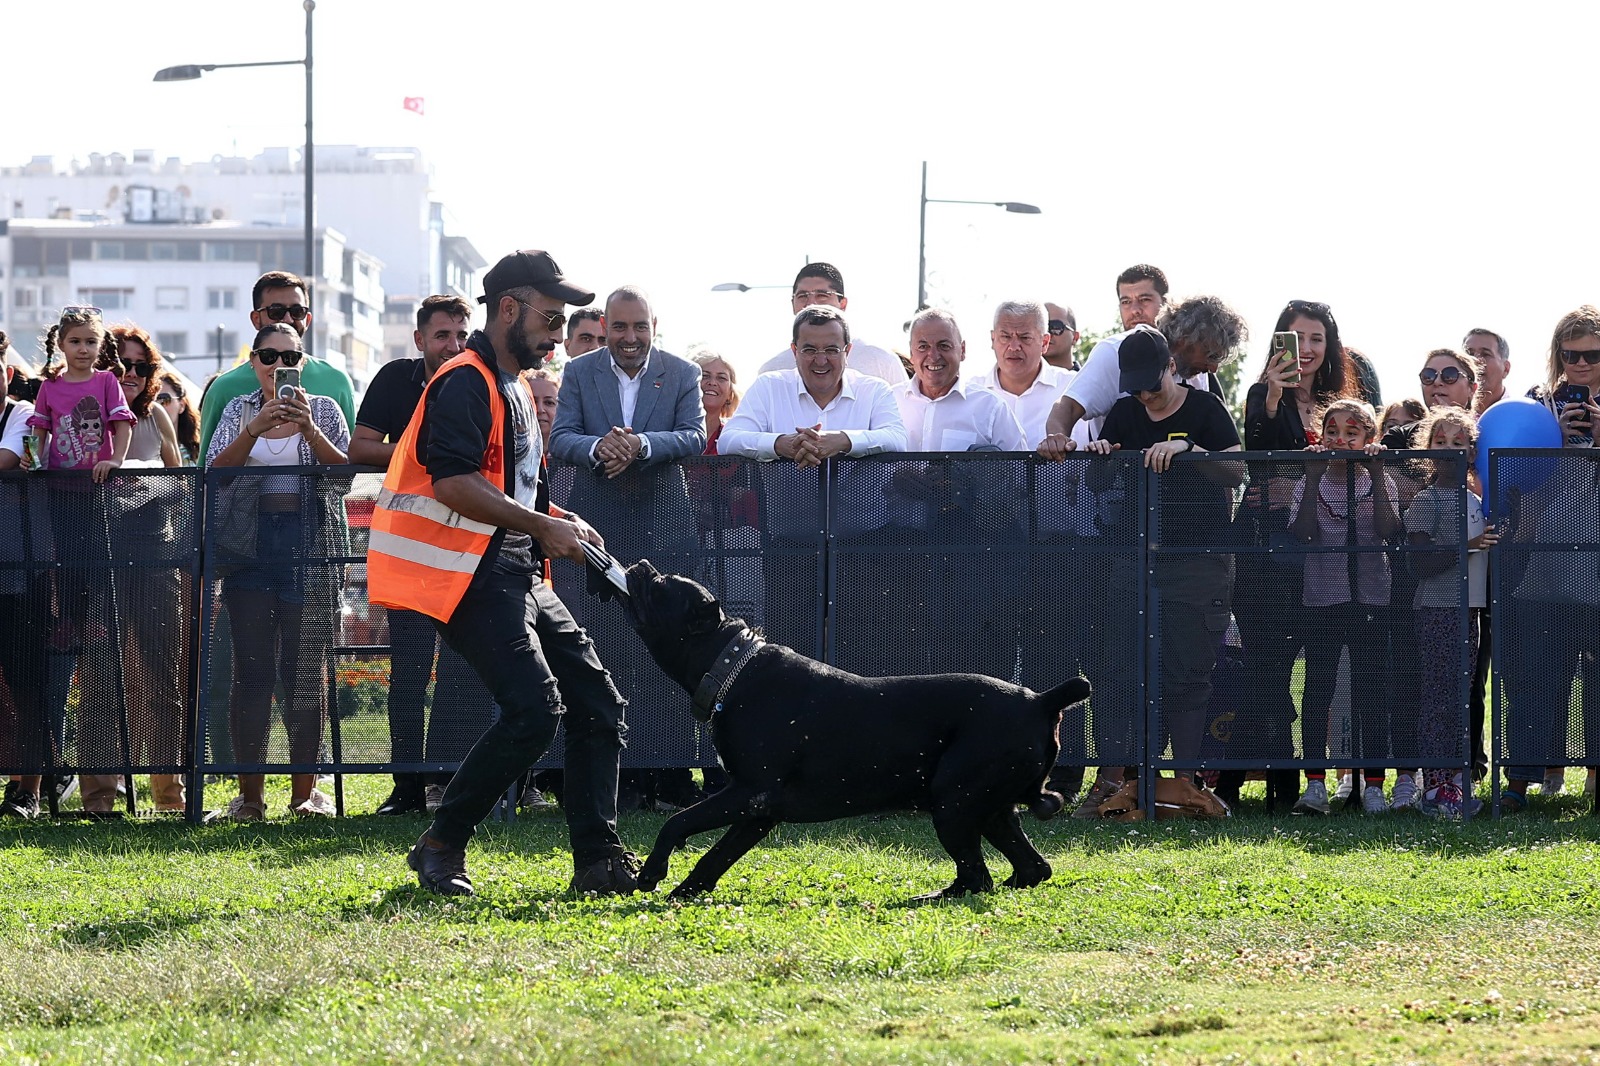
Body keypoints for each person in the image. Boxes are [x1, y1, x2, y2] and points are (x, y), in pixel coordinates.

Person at [369, 249, 638, 897]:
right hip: (467, 573)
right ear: (509, 309)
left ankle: (598, 862)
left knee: (598, 705)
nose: (558, 331)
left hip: (513, 567)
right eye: (552, 317)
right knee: (534, 710)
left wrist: (557, 514)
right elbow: (454, 482)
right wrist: (543, 526)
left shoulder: (513, 386)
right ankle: (441, 843)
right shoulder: (465, 380)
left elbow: (513, 486)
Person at [548, 285, 706, 812]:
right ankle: (623, 774)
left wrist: (640, 445)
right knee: (606, 648)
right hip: (599, 529)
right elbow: (561, 438)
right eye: (620, 327)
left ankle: (673, 771)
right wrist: (599, 448)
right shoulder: (579, 371)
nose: (630, 338)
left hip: (666, 531)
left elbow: (694, 436)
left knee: (669, 648)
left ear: (653, 326)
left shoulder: (682, 372)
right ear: (606, 327)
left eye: (639, 327)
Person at [1077, 326, 1243, 801]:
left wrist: (1189, 451)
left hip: (1199, 563)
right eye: (1137, 386)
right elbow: (1094, 485)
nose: (1146, 394)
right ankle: (1110, 782)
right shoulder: (1126, 412)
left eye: (1154, 382)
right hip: (1134, 559)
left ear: (1172, 366)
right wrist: (1101, 456)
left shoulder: (1205, 408)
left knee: (1189, 672)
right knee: (1120, 670)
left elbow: (1237, 468)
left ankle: (1186, 785)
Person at [349, 295, 497, 817]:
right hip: (411, 546)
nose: (453, 345)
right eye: (442, 336)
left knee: (464, 669)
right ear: (419, 340)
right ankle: (407, 784)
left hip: (470, 546)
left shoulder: (484, 378)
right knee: (409, 671)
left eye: (461, 334)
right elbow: (360, 448)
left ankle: (449, 781)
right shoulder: (396, 379)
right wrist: (426, 455)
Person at [205, 323, 351, 821]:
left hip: (309, 541)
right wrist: (255, 428)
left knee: (304, 675)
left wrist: (308, 429)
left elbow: (344, 477)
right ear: (254, 361)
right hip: (250, 544)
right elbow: (216, 476)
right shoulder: (238, 408)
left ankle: (304, 796)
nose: (277, 364)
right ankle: (250, 798)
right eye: (267, 356)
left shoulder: (324, 410)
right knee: (252, 673)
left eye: (289, 356)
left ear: (302, 362)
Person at [69, 326, 188, 815]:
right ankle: (99, 798)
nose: (132, 375)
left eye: (142, 366)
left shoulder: (156, 415)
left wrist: (140, 480)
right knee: (98, 678)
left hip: (157, 561)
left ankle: (169, 797)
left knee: (161, 679)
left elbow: (180, 484)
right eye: (122, 366)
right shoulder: (86, 416)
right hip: (97, 561)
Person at [1498, 306, 1600, 811]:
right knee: (1534, 678)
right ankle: (1520, 782)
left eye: (1591, 354)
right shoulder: (1537, 404)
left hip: (1595, 563)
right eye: (1569, 352)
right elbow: (1515, 475)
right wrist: (1554, 439)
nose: (1579, 363)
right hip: (1542, 564)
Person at [1286, 399, 1399, 815]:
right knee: (1319, 691)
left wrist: (1377, 471)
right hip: (1323, 596)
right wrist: (1312, 479)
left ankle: (1372, 784)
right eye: (1333, 431)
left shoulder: (1379, 481)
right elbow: (1304, 535)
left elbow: (1389, 531)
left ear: (1369, 439)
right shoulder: (1307, 481)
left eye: (1352, 433)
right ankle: (1314, 782)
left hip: (1371, 595)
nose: (1340, 439)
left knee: (1371, 692)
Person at [1406, 406, 1495, 818]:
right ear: (1427, 451)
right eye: (1440, 443)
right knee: (1439, 697)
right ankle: (1434, 786)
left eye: (1459, 443)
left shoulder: (1475, 498)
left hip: (1471, 611)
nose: (1449, 451)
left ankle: (1458, 780)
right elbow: (1419, 562)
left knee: (1460, 698)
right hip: (1438, 609)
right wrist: (1468, 546)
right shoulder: (1427, 499)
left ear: (1473, 451)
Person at [1039, 270, 1239, 453]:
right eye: (1211, 355)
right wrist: (1057, 440)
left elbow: (1221, 450)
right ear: (1186, 340)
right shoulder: (1113, 352)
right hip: (1118, 487)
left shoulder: (1195, 372)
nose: (1213, 368)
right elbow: (1067, 406)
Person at [198, 271, 355, 458]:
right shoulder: (224, 389)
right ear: (256, 319)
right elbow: (207, 474)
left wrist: (311, 429)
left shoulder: (336, 381)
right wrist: (253, 429)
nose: (288, 319)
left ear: (308, 319)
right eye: (276, 312)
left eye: (297, 311)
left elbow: (351, 466)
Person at [0, 353, 52, 819]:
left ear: (8, 371)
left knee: (27, 684)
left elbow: (10, 458)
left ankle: (27, 790)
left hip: (23, 571)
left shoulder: (21, 414)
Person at [892, 309, 1026, 452]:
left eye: (944, 346)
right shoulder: (890, 401)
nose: (933, 355)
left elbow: (1021, 470)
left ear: (962, 351)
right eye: (923, 347)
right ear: (912, 353)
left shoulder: (991, 407)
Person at [755, 263, 907, 384]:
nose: (811, 304)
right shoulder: (772, 371)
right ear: (792, 304)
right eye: (802, 296)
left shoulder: (881, 360)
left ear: (843, 303)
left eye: (822, 295)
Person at [971, 300, 1078, 448]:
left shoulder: (1074, 389)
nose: (1014, 347)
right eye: (1005, 337)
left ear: (1045, 342)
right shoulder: (970, 394)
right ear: (993, 339)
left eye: (1025, 338)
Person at [694, 352, 740, 454]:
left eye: (721, 378)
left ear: (730, 393)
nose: (712, 383)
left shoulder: (733, 438)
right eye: (704, 376)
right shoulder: (670, 431)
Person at [157, 372, 202, 464]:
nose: (156, 406)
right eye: (149, 400)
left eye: (164, 399)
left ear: (181, 405)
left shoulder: (200, 452)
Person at [1464, 328, 1512, 414]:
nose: (1475, 360)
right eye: (1469, 354)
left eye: (1485, 354)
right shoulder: (1449, 417)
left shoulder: (1520, 413)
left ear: (1506, 369)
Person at [1044, 303, 1080, 372]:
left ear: (1075, 337)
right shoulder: (1020, 380)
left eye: (1056, 327)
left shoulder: (1089, 381)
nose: (1047, 334)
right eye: (1042, 328)